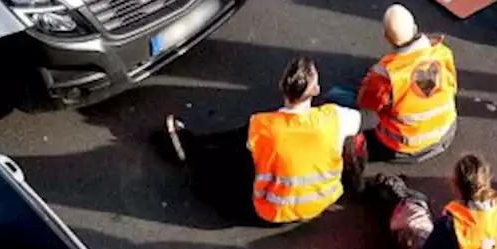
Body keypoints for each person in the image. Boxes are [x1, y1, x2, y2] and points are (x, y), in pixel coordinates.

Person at [159, 56, 374, 223]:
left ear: (282, 86)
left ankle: (189, 147)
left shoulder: (263, 126)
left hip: (273, 210)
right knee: (349, 138)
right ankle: (357, 186)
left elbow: (231, 142)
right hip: (322, 200)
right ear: (315, 90)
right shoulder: (334, 117)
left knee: (234, 154)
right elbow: (367, 119)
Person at [327, 5, 458, 163]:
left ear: (387, 37)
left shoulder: (385, 75)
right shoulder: (442, 52)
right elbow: (452, 86)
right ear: (414, 26)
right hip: (446, 133)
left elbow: (366, 103)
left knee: (336, 94)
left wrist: (371, 82)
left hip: (402, 147)